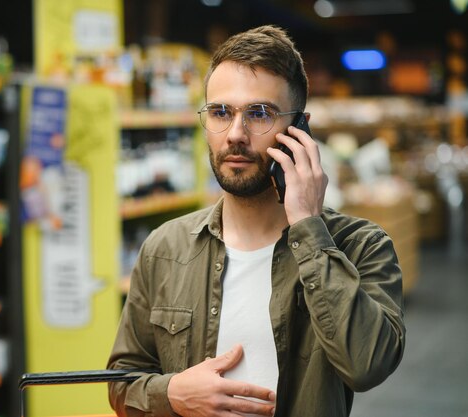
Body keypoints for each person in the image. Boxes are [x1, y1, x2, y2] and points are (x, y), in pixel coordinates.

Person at [107, 24, 405, 417]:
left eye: (259, 113)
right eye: (220, 112)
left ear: (299, 129)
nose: (235, 134)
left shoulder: (360, 245)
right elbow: (120, 382)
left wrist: (308, 228)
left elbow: (368, 365)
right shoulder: (165, 249)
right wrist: (173, 393)